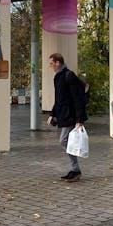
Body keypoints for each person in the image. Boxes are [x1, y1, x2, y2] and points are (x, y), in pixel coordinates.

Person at [47, 53, 87, 182]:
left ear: (58, 63)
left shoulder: (69, 76)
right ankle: (75, 170)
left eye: (51, 63)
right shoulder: (58, 77)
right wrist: (52, 114)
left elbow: (77, 98)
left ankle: (76, 170)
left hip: (71, 115)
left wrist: (79, 120)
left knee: (63, 140)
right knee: (67, 141)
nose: (50, 66)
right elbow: (59, 98)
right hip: (64, 114)